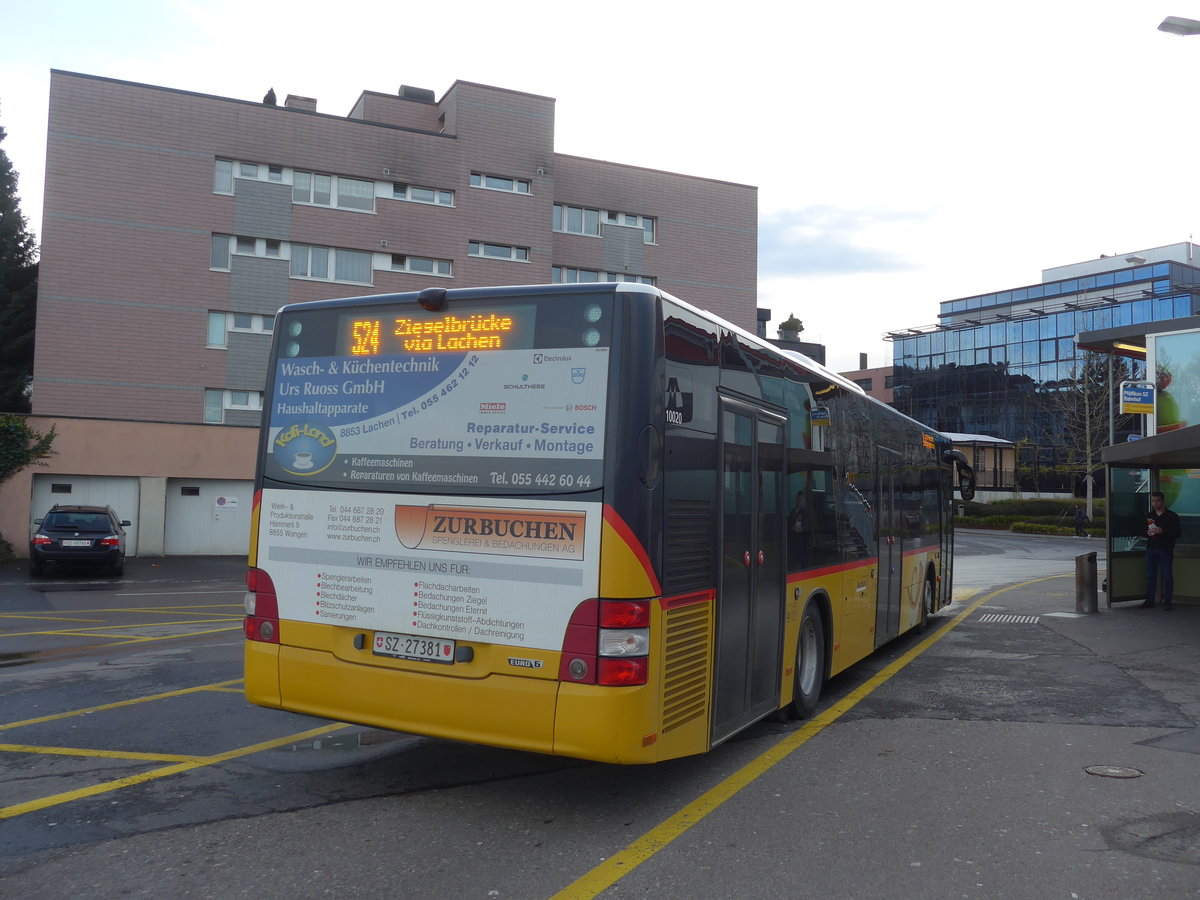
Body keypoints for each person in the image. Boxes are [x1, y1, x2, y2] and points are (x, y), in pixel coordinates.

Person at [1140, 491, 1182, 610]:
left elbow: (1178, 533)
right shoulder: (1149, 516)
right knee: (1150, 576)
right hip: (1151, 549)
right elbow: (1142, 530)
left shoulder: (1172, 516)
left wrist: (1162, 531)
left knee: (1167, 576)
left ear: (1163, 501)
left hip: (1166, 549)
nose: (1155, 503)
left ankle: (1168, 602)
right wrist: (1147, 533)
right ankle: (1149, 601)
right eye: (1153, 501)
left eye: (1157, 500)